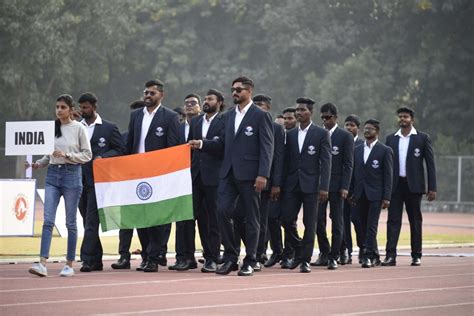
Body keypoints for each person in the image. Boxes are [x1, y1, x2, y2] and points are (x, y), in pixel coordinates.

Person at [189, 76, 274, 276]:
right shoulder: (227, 116)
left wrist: (263, 174)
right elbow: (222, 144)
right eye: (233, 89)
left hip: (251, 175)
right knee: (222, 212)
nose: (235, 92)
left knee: (252, 218)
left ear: (249, 90)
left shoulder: (260, 115)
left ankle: (251, 259)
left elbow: (267, 147)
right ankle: (230, 257)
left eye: (239, 89)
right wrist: (202, 144)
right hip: (227, 173)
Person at [28, 94, 92, 277]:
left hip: (72, 175)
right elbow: (49, 155)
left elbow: (87, 155)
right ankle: (42, 263)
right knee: (48, 220)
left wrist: (67, 156)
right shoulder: (52, 127)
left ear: (71, 110)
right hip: (53, 176)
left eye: (63, 107)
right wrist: (38, 164)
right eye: (57, 107)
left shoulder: (79, 128)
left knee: (70, 222)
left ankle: (69, 264)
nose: (58, 110)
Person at [125, 79, 180, 272]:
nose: (148, 96)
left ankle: (155, 257)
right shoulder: (135, 116)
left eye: (152, 93)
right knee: (141, 218)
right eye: (146, 93)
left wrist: (167, 174)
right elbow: (129, 144)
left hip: (159, 176)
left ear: (161, 95)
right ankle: (147, 255)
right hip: (137, 174)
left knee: (157, 219)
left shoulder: (170, 117)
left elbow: (175, 147)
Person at [233, 94, 285, 271]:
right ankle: (251, 249)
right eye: (255, 104)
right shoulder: (244, 122)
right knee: (240, 216)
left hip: (265, 181)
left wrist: (275, 182)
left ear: (268, 108)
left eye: (261, 105)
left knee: (261, 219)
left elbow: (276, 157)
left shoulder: (276, 129)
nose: (257, 107)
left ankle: (259, 253)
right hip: (245, 178)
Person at [280, 97, 331, 273]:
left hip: (312, 186)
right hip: (292, 185)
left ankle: (305, 259)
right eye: (297, 110)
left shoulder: (321, 134)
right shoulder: (290, 134)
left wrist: (324, 187)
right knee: (285, 219)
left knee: (310, 223)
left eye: (302, 110)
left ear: (311, 112)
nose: (299, 113)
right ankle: (300, 249)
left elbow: (326, 162)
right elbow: (285, 162)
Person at [77, 92, 125, 272]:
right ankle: (96, 259)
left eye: (86, 107)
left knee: (91, 222)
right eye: (81, 107)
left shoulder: (109, 128)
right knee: (86, 221)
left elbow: (120, 149)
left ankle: (87, 259)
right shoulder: (75, 127)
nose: (83, 111)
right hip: (77, 181)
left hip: (99, 182)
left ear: (94, 107)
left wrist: (103, 157)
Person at [382, 107, 437, 267]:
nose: (402, 119)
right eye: (400, 117)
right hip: (395, 186)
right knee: (393, 221)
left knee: (415, 220)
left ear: (412, 119)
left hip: (414, 186)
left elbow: (430, 164)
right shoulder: (391, 139)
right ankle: (390, 255)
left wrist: (432, 187)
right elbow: (386, 166)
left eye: (405, 117)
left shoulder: (422, 138)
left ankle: (416, 255)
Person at [186, 89, 225, 273]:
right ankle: (191, 256)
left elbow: (223, 146)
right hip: (195, 177)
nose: (207, 101)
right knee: (192, 218)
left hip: (214, 178)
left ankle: (213, 258)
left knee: (213, 220)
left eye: (211, 99)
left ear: (219, 102)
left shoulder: (225, 121)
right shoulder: (195, 121)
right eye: (206, 98)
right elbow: (188, 148)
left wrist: (202, 143)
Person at [313, 103, 354, 270]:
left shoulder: (345, 136)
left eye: (328, 117)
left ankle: (335, 255)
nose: (325, 120)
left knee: (337, 221)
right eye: (322, 117)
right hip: (319, 185)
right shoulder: (319, 134)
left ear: (336, 117)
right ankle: (324, 251)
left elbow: (348, 164)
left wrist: (345, 186)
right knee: (317, 220)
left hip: (337, 186)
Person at [349, 119, 393, 268]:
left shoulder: (385, 150)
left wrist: (387, 197)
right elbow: (353, 172)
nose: (367, 131)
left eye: (371, 129)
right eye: (365, 129)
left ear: (377, 132)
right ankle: (372, 253)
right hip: (359, 193)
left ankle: (367, 255)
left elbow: (388, 175)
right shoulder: (357, 149)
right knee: (359, 223)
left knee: (371, 225)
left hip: (376, 194)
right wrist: (350, 192)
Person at [111, 100, 146, 270]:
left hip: (147, 186)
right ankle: (123, 256)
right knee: (125, 223)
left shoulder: (151, 137)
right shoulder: (123, 137)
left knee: (145, 223)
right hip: (127, 186)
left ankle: (148, 255)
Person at [169, 93, 202, 271]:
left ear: (200, 107)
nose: (189, 106)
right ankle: (183, 257)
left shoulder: (204, 126)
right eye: (187, 103)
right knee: (182, 221)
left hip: (201, 179)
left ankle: (210, 256)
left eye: (193, 103)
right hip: (181, 180)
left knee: (205, 220)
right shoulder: (178, 127)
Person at [266, 106, 298, 268]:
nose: (287, 121)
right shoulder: (276, 134)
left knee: (288, 220)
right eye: (285, 118)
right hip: (276, 183)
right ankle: (277, 251)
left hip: (292, 184)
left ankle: (291, 252)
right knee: (271, 217)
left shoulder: (297, 137)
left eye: (290, 118)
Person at [340, 114, 364, 264]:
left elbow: (361, 171)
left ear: (358, 128)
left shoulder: (362, 145)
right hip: (342, 190)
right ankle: (346, 251)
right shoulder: (340, 142)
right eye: (347, 125)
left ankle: (363, 248)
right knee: (342, 222)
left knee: (357, 220)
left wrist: (355, 191)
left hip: (357, 192)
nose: (349, 128)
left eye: (352, 125)